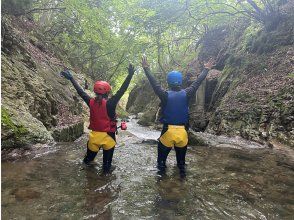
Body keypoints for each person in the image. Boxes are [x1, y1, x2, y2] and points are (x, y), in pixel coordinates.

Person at [141, 56, 215, 175]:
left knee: (161, 164)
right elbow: (197, 82)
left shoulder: (164, 94)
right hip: (183, 133)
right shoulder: (187, 93)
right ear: (180, 82)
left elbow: (154, 84)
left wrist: (146, 69)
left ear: (168, 82)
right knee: (181, 164)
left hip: (168, 132)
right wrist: (206, 69)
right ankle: (182, 184)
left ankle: (161, 186)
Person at [60, 64, 135, 172]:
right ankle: (103, 184)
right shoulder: (111, 103)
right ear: (108, 92)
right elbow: (122, 90)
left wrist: (71, 78)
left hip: (94, 138)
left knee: (87, 162)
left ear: (95, 92)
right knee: (106, 168)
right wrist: (130, 75)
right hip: (108, 138)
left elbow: (80, 91)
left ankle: (89, 181)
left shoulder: (90, 101)